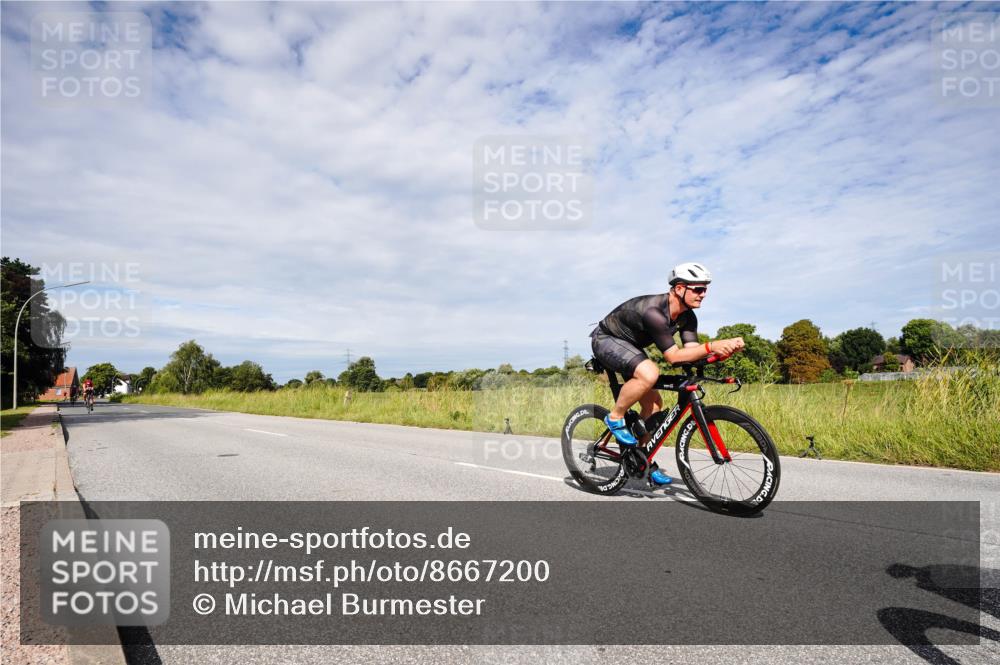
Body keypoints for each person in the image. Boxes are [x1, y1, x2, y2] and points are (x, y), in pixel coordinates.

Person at [590, 262, 745, 485]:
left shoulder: (688, 317)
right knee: (650, 373)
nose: (703, 294)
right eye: (698, 289)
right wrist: (712, 345)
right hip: (607, 339)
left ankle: (642, 459)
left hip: (630, 346)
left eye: (705, 289)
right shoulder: (654, 312)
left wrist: (722, 352)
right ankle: (615, 417)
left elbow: (691, 353)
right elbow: (673, 357)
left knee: (654, 406)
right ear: (679, 288)